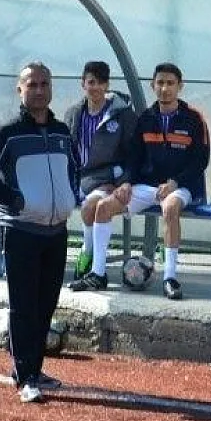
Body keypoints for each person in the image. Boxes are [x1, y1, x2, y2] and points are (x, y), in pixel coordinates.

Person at [0, 62, 78, 403]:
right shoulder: (7, 132)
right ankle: (25, 376)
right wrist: (14, 199)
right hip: (21, 231)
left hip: (56, 232)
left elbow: (73, 169)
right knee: (23, 306)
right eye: (32, 84)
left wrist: (70, 197)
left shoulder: (62, 132)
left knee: (46, 304)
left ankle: (33, 369)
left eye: (44, 84)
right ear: (20, 89)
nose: (39, 90)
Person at [69, 62, 209, 300]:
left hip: (181, 186)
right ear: (152, 85)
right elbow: (133, 157)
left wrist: (175, 182)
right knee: (103, 207)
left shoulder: (194, 118)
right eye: (160, 83)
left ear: (180, 86)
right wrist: (126, 182)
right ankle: (98, 273)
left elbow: (200, 161)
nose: (165, 88)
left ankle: (170, 278)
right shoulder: (145, 118)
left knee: (170, 207)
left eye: (170, 83)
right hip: (147, 186)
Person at [63, 61, 137, 280]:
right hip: (79, 178)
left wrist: (123, 180)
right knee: (47, 207)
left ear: (107, 85)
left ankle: (88, 254)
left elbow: (133, 153)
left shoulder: (122, 115)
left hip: (106, 178)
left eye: (101, 82)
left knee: (89, 207)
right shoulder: (73, 113)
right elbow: (65, 148)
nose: (95, 87)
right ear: (83, 84)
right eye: (91, 82)